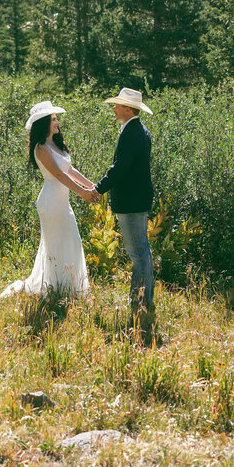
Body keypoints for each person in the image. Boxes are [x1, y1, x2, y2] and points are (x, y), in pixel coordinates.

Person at [0, 100, 97, 299]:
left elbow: (69, 170)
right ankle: (55, 288)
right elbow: (59, 175)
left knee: (71, 239)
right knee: (57, 243)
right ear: (44, 122)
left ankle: (68, 286)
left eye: (56, 118)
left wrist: (91, 185)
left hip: (62, 201)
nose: (57, 122)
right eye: (53, 119)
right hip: (51, 201)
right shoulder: (41, 148)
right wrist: (82, 192)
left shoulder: (56, 144)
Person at [91, 87, 155, 315]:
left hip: (131, 202)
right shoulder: (140, 130)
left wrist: (98, 189)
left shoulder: (132, 134)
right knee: (143, 252)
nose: (115, 109)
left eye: (118, 105)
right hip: (138, 199)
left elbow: (119, 169)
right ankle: (145, 300)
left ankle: (138, 304)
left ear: (128, 109)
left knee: (138, 254)